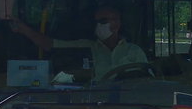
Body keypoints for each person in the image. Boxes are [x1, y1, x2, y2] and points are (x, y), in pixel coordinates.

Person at [11, 5, 148, 80]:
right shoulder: (85, 46)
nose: (102, 25)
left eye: (106, 21)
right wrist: (23, 29)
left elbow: (148, 84)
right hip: (90, 107)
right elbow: (49, 44)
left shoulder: (134, 51)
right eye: (99, 22)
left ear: (118, 24)